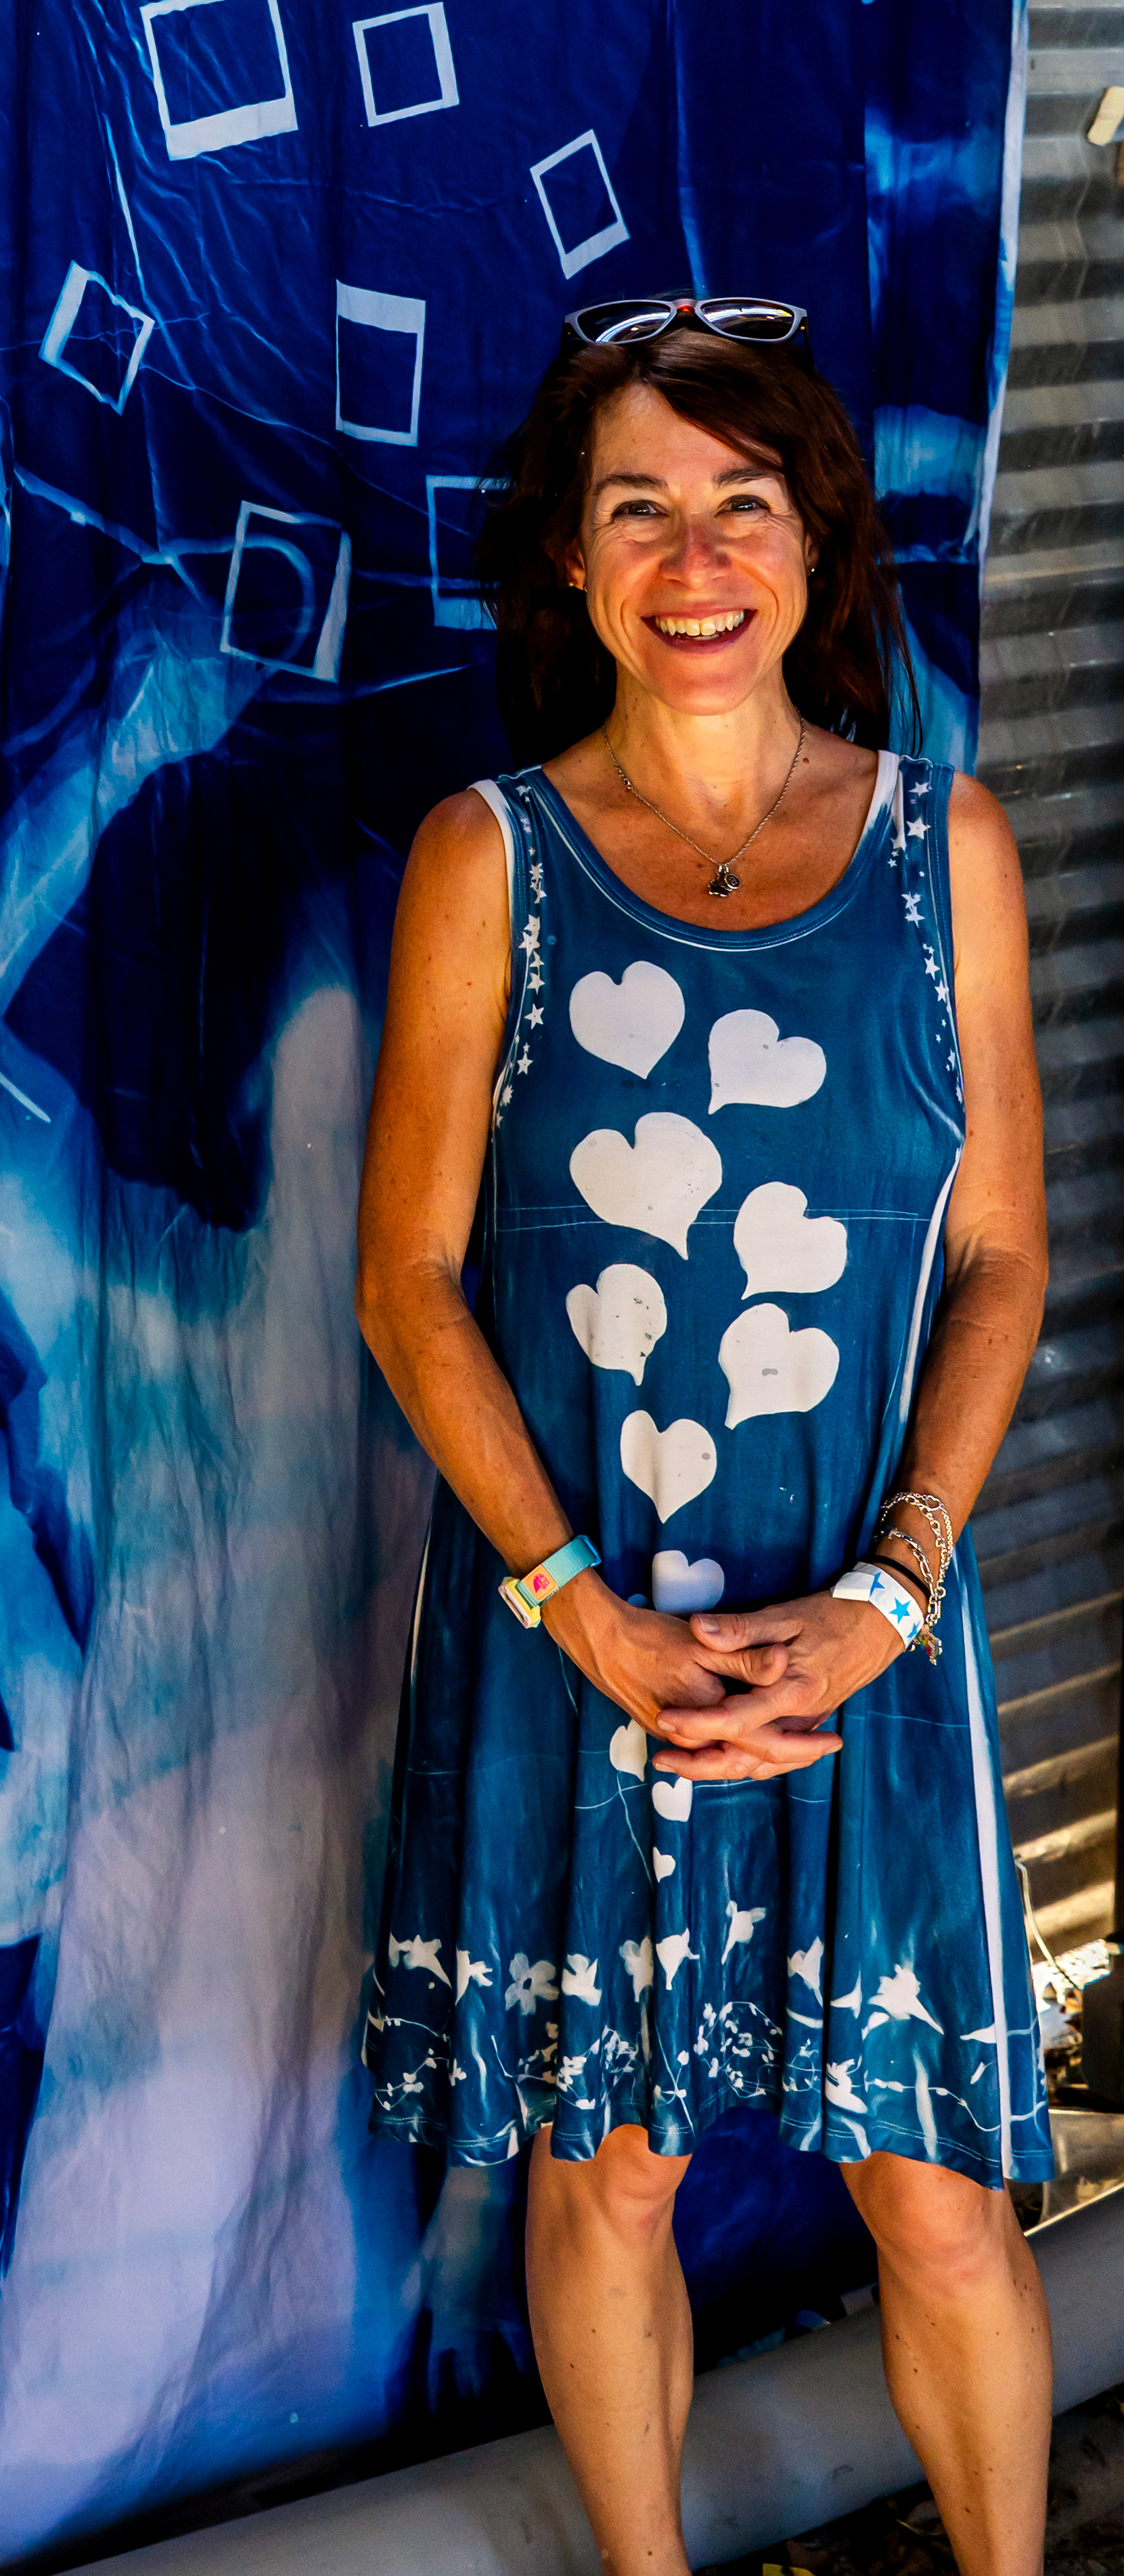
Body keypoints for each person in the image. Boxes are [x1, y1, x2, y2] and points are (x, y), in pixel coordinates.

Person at [355, 293, 1052, 2576]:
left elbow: (1003, 1261)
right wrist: (574, 1611)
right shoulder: (491, 860)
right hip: (587, 1627)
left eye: (741, 501)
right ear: (567, 558)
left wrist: (892, 1592)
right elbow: (410, 1283)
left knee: (936, 2184)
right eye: (635, 504)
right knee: (612, 2165)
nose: (693, 553)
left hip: (871, 1615)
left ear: (815, 541)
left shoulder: (951, 851)